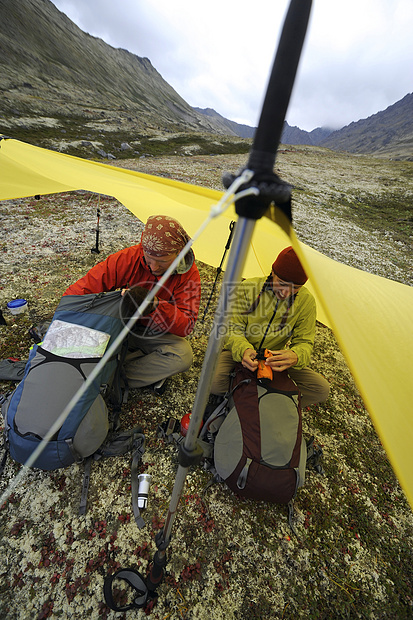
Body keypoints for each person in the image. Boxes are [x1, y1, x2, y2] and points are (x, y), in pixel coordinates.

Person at [64, 215, 201, 391]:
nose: (154, 267)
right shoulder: (129, 258)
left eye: (163, 261)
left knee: (182, 355)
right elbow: (79, 292)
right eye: (149, 259)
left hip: (152, 331)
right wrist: (64, 320)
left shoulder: (188, 275)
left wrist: (155, 305)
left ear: (179, 253)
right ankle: (109, 369)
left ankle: (112, 379)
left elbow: (186, 325)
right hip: (118, 324)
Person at [210, 246, 329, 409]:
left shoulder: (306, 301)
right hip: (240, 352)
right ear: (272, 272)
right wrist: (244, 350)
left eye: (295, 288)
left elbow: (305, 342)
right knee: (214, 383)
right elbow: (232, 328)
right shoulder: (248, 288)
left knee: (320, 390)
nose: (286, 293)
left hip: (274, 359)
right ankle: (249, 401)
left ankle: (268, 404)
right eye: (281, 283)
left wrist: (295, 355)